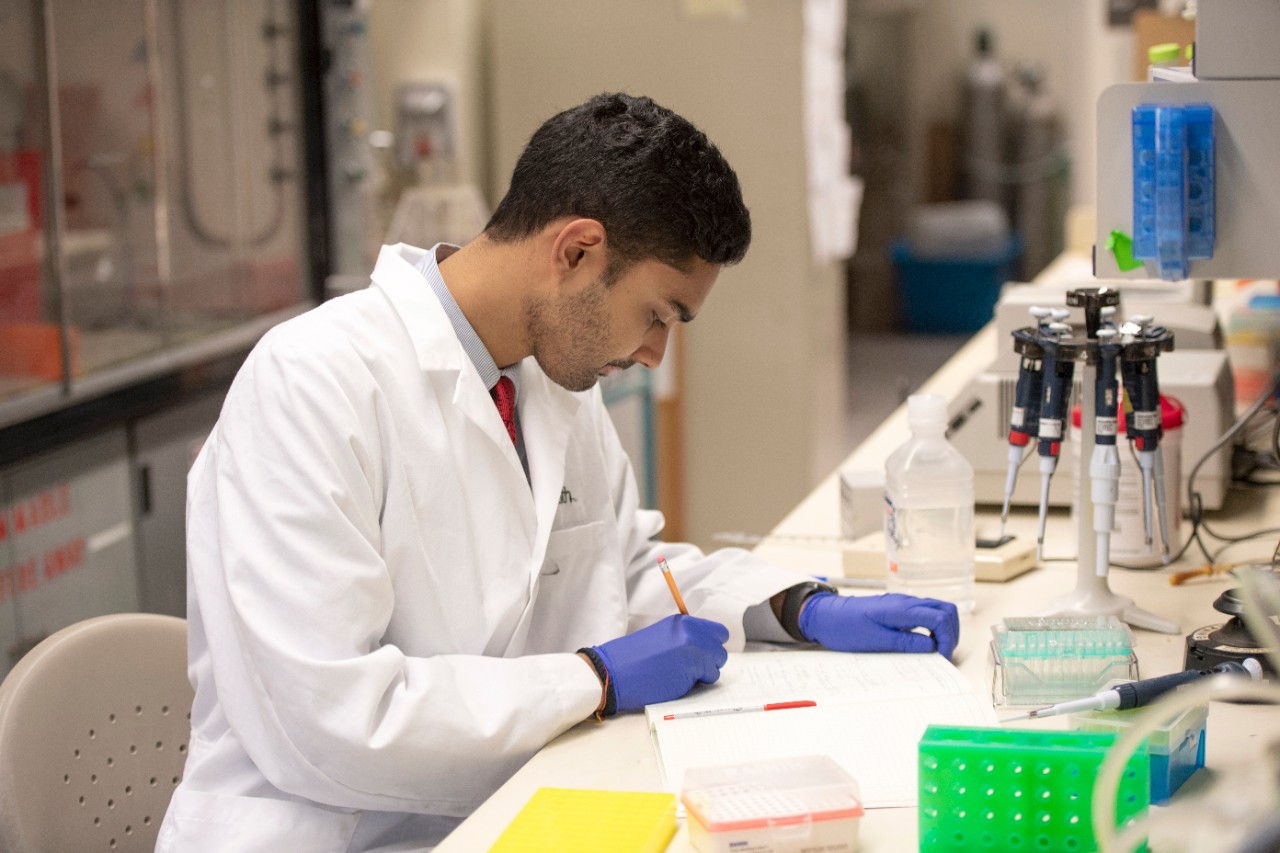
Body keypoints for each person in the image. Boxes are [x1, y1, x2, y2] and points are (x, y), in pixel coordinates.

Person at [158, 92, 959, 852]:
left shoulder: (546, 380)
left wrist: (797, 607)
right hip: (333, 830)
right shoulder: (311, 384)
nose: (654, 352)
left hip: (518, 805)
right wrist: (593, 680)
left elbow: (626, 570)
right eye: (659, 314)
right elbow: (332, 720)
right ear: (576, 251)